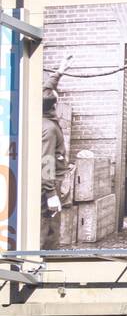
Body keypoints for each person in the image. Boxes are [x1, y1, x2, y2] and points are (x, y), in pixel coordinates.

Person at [40, 90, 68, 250]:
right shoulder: (49, 128)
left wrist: (59, 71)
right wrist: (51, 194)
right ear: (54, 105)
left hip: (47, 182)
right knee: (48, 229)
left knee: (48, 227)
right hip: (48, 184)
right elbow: (46, 160)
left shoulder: (43, 121)